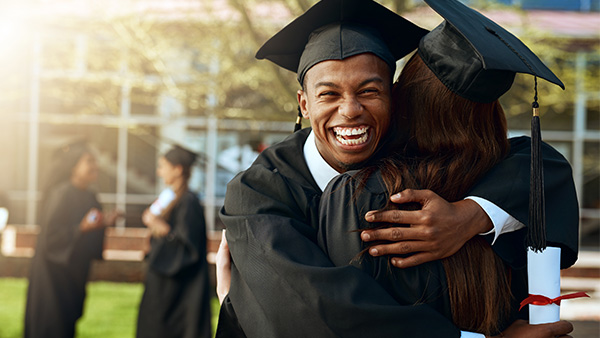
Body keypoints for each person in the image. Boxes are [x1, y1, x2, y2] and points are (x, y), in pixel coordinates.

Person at [216, 0, 577, 337]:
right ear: (304, 104)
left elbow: (540, 163)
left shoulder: (404, 156)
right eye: (329, 94)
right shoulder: (258, 192)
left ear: (395, 96)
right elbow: (313, 306)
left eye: (370, 91)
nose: (351, 110)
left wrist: (468, 216)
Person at [24, 141, 119, 338]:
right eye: (88, 161)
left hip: (73, 272)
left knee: (67, 323)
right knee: (52, 325)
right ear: (73, 166)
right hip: (52, 276)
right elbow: (51, 238)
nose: (95, 166)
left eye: (95, 161)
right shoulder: (61, 193)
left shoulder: (91, 196)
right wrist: (81, 228)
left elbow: (88, 235)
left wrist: (103, 224)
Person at [136, 145, 212, 338]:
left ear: (178, 169)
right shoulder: (171, 198)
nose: (159, 172)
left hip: (179, 289)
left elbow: (187, 248)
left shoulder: (188, 202)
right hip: (164, 285)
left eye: (163, 166)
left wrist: (159, 226)